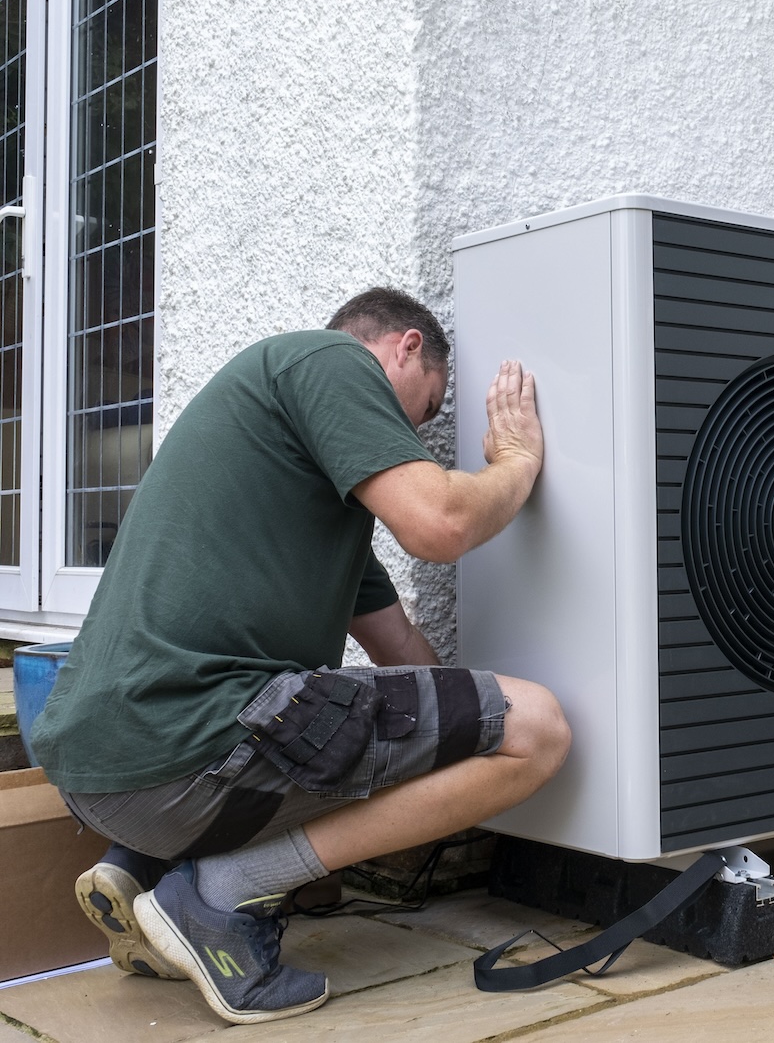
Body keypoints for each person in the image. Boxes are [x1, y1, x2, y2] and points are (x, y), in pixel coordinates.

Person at [29, 287, 571, 1024]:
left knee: (389, 719)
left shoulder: (316, 507)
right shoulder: (329, 359)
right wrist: (517, 461)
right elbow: (440, 524)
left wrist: (459, 736)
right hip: (181, 751)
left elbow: (402, 651)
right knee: (536, 728)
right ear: (405, 347)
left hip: (107, 768)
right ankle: (217, 898)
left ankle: (143, 869)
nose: (418, 431)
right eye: (428, 407)